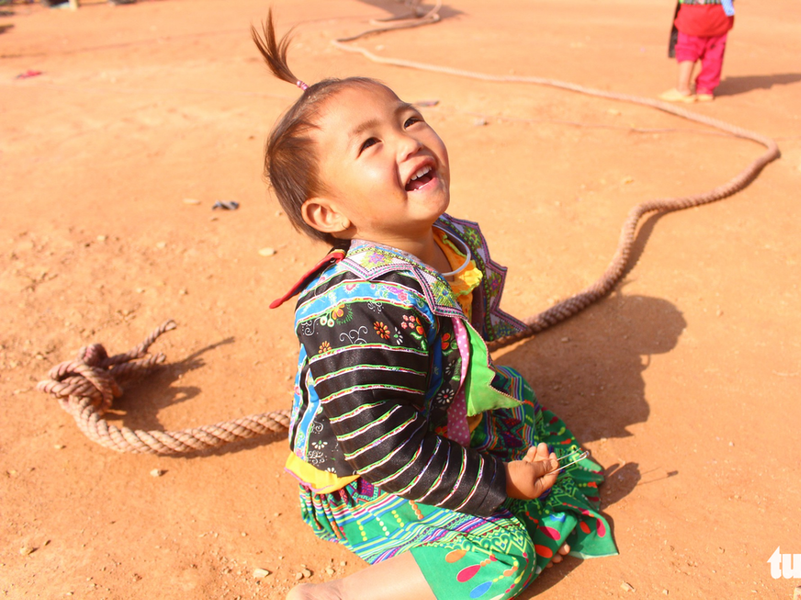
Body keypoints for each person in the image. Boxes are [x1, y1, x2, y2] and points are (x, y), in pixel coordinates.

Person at [253, 13, 617, 600]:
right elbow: (382, 447)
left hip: (422, 426)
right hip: (373, 479)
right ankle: (339, 594)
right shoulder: (360, 314)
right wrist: (496, 480)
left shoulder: (443, 239)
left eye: (409, 119)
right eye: (371, 143)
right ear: (329, 215)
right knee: (503, 552)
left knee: (515, 394)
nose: (408, 140)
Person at [660, 0, 735, 103]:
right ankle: (705, 89)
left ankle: (683, 87)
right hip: (720, 14)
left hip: (694, 13)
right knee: (714, 51)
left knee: (688, 48)